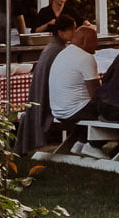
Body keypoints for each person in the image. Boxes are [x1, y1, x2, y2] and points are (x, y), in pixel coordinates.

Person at [21, 14, 77, 151]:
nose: (75, 33)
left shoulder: (53, 47)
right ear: (61, 32)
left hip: (42, 98)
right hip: (48, 102)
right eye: (72, 29)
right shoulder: (57, 49)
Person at [48, 23, 101, 135]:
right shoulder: (86, 57)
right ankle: (95, 144)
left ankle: (82, 142)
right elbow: (96, 95)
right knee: (117, 110)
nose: (97, 44)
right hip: (74, 111)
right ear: (84, 42)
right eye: (95, 41)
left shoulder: (63, 53)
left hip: (58, 111)